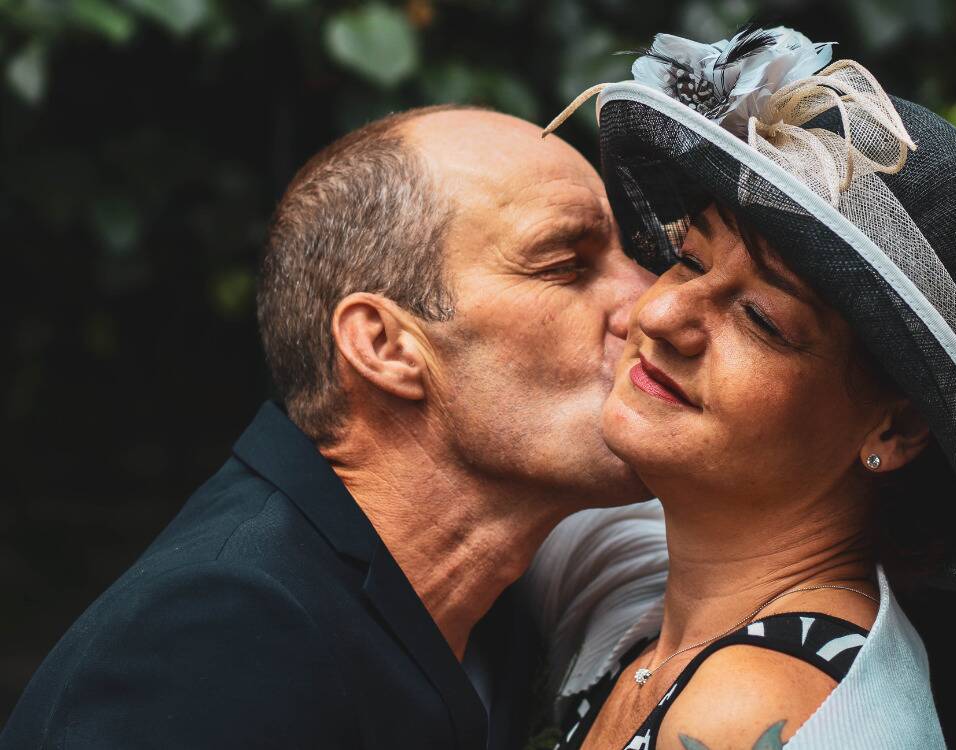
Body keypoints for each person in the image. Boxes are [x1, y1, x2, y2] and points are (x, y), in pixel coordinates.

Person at [0, 105, 654, 749]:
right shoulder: (219, 634)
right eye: (567, 264)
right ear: (386, 347)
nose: (654, 300)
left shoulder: (484, 598)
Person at [533, 25, 956, 749]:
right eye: (686, 261)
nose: (656, 313)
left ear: (895, 430)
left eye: (760, 319)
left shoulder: (750, 707)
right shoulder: (661, 606)